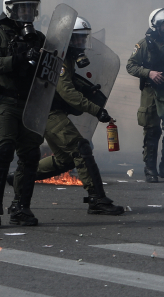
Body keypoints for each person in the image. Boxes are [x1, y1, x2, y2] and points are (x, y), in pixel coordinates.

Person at [33, 17, 123, 215]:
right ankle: (97, 199)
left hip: (50, 110)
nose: (82, 44)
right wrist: (96, 110)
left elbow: (71, 84)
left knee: (65, 160)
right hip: (48, 112)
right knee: (81, 149)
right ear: (67, 40)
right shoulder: (60, 59)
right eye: (78, 40)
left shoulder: (66, 57)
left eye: (84, 39)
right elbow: (67, 93)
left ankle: (20, 177)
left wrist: (89, 89)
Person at [0, 0, 46, 227]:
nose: (27, 12)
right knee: (4, 152)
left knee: (30, 155)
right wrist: (21, 57)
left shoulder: (39, 38)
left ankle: (21, 208)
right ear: (10, 9)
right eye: (22, 8)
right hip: (6, 102)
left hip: (30, 103)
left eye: (31, 7)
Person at [127, 8, 164, 182]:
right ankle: (150, 169)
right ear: (155, 25)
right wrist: (148, 73)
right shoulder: (144, 44)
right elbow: (131, 66)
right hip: (150, 91)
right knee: (151, 130)